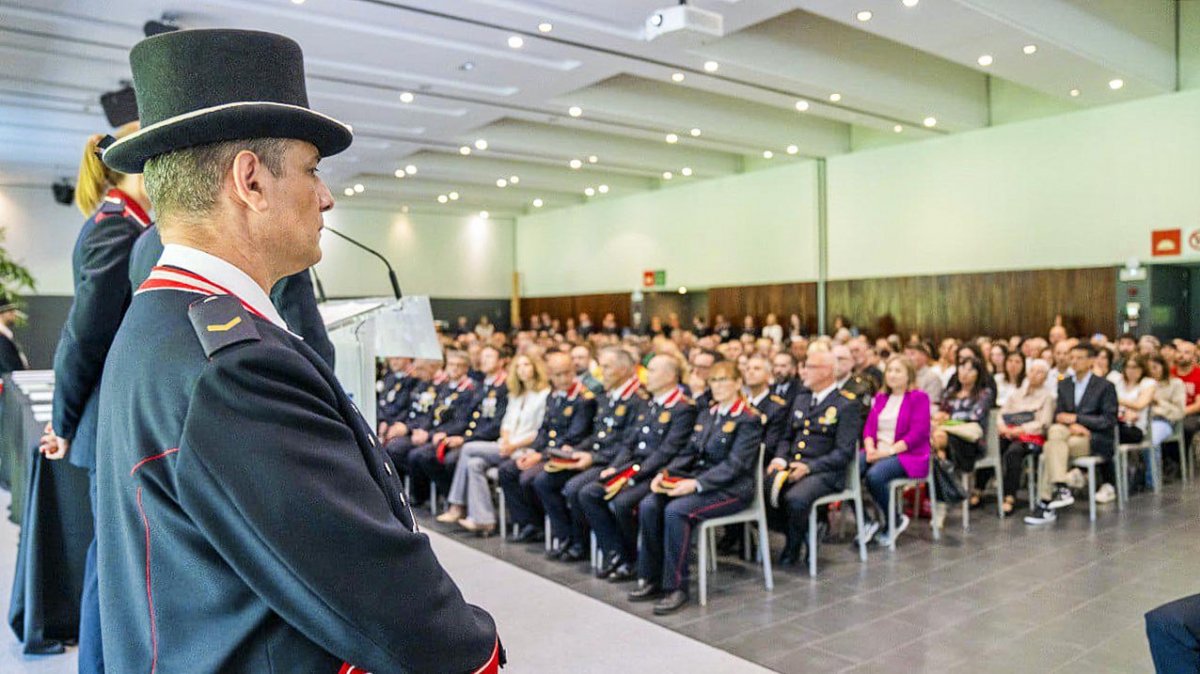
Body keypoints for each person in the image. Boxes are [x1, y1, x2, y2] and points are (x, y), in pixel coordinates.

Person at [92, 29, 499, 673]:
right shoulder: (236, 364)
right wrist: (477, 651)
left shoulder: (165, 320)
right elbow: (360, 577)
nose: (326, 196)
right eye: (312, 170)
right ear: (250, 179)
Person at [37, 117, 152, 674]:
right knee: (111, 567)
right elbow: (84, 336)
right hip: (107, 424)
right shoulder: (117, 227)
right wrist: (61, 421)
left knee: (116, 563)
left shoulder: (124, 222)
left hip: (112, 422)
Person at [630, 361, 764, 614]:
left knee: (677, 511)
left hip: (732, 490)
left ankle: (676, 587)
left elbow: (735, 465)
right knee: (650, 503)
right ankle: (650, 578)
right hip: (701, 481)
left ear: (738, 383)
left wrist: (696, 484)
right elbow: (689, 452)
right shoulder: (708, 414)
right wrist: (666, 474)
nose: (719, 386)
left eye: (725, 380)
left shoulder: (748, 419)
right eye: (714, 380)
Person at [577, 354, 697, 581]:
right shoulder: (651, 404)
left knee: (622, 502)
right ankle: (618, 554)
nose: (646, 375)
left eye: (652, 371)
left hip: (654, 471)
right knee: (589, 493)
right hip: (634, 467)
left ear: (671, 376)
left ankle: (634, 559)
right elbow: (630, 442)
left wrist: (633, 474)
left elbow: (667, 451)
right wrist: (615, 468)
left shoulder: (682, 408)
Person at [534, 346, 647, 560]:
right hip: (599, 457)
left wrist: (593, 458)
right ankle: (569, 538)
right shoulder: (607, 396)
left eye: (606, 367)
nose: (600, 372)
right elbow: (598, 436)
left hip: (616, 462)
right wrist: (577, 451)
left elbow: (627, 443)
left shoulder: (637, 400)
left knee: (578, 489)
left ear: (623, 369)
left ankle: (610, 551)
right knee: (544, 481)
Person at [438, 352, 550, 534]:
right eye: (519, 366)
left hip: (524, 448)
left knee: (467, 448)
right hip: (505, 445)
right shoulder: (516, 394)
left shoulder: (544, 395)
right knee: (474, 464)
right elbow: (506, 424)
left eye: (527, 365)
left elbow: (538, 431)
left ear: (536, 368)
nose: (522, 370)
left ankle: (457, 505)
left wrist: (512, 445)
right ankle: (484, 520)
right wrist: (506, 440)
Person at [767, 350, 859, 564]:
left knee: (795, 499)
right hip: (792, 466)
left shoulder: (846, 404)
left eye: (809, 367)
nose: (803, 371)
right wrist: (780, 458)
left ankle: (794, 544)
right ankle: (804, 529)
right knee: (763, 490)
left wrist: (809, 467)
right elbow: (786, 437)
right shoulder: (801, 399)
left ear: (826, 371)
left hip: (825, 472)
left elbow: (843, 452)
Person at [498, 352, 595, 543]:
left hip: (567, 454)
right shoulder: (554, 395)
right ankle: (529, 523)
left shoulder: (584, 399)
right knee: (507, 470)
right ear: (550, 374)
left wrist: (540, 456)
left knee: (533, 479)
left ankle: (565, 535)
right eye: (557, 375)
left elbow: (573, 436)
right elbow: (545, 430)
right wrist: (533, 450)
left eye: (567, 373)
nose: (563, 379)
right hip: (548, 451)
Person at [1026, 344, 1118, 524]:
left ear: (1091, 361)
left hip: (1092, 437)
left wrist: (1078, 420)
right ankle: (1059, 488)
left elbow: (1108, 420)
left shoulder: (1105, 386)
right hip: (1066, 434)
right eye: (1072, 357)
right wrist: (1071, 424)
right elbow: (1059, 415)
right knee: (1054, 433)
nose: (1074, 361)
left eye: (1079, 358)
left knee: (1049, 449)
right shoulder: (1065, 384)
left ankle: (1046, 503)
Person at [414, 347, 507, 502]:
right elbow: (451, 415)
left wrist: (463, 438)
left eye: (489, 356)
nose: (484, 360)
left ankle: (456, 502)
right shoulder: (482, 386)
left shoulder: (495, 388)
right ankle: (449, 500)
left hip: (482, 439)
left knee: (445, 458)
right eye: (483, 356)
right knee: (420, 454)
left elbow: (493, 424)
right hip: (467, 436)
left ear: (501, 361)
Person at [859, 356, 932, 546]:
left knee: (874, 476)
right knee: (846, 470)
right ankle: (866, 521)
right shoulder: (880, 398)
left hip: (907, 454)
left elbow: (918, 433)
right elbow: (868, 428)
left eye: (898, 371)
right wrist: (869, 448)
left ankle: (895, 519)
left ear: (909, 375)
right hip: (877, 450)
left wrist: (887, 452)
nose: (892, 375)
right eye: (889, 370)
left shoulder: (919, 398)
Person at [996, 359, 1054, 514]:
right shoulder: (1017, 393)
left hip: (1031, 437)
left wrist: (1020, 430)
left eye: (1040, 372)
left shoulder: (1047, 397)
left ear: (1046, 377)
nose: (1035, 375)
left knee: (1014, 452)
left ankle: (1009, 496)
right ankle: (979, 489)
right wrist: (1002, 426)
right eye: (1033, 371)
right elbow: (1002, 413)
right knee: (993, 447)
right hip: (1009, 432)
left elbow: (1044, 424)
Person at [1113, 355, 1155, 487]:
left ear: (1142, 369)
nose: (1131, 370)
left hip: (1135, 429)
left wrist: (1116, 400)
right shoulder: (1118, 382)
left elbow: (1140, 405)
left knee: (1109, 432)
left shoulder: (1148, 383)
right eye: (1128, 367)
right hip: (1117, 422)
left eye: (1135, 367)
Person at [1148, 353, 1186, 477]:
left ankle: (1153, 477)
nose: (1152, 372)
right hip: (1141, 420)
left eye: (1155, 367)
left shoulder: (1176, 384)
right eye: (1148, 368)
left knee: (1151, 438)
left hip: (1165, 421)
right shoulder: (1145, 384)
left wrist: (1158, 402)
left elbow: (1179, 411)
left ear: (1163, 367)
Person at [0, 294, 29, 374]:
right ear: (2, 314)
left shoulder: (6, 335)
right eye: (10, 311)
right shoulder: (1, 338)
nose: (14, 314)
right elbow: (7, 366)